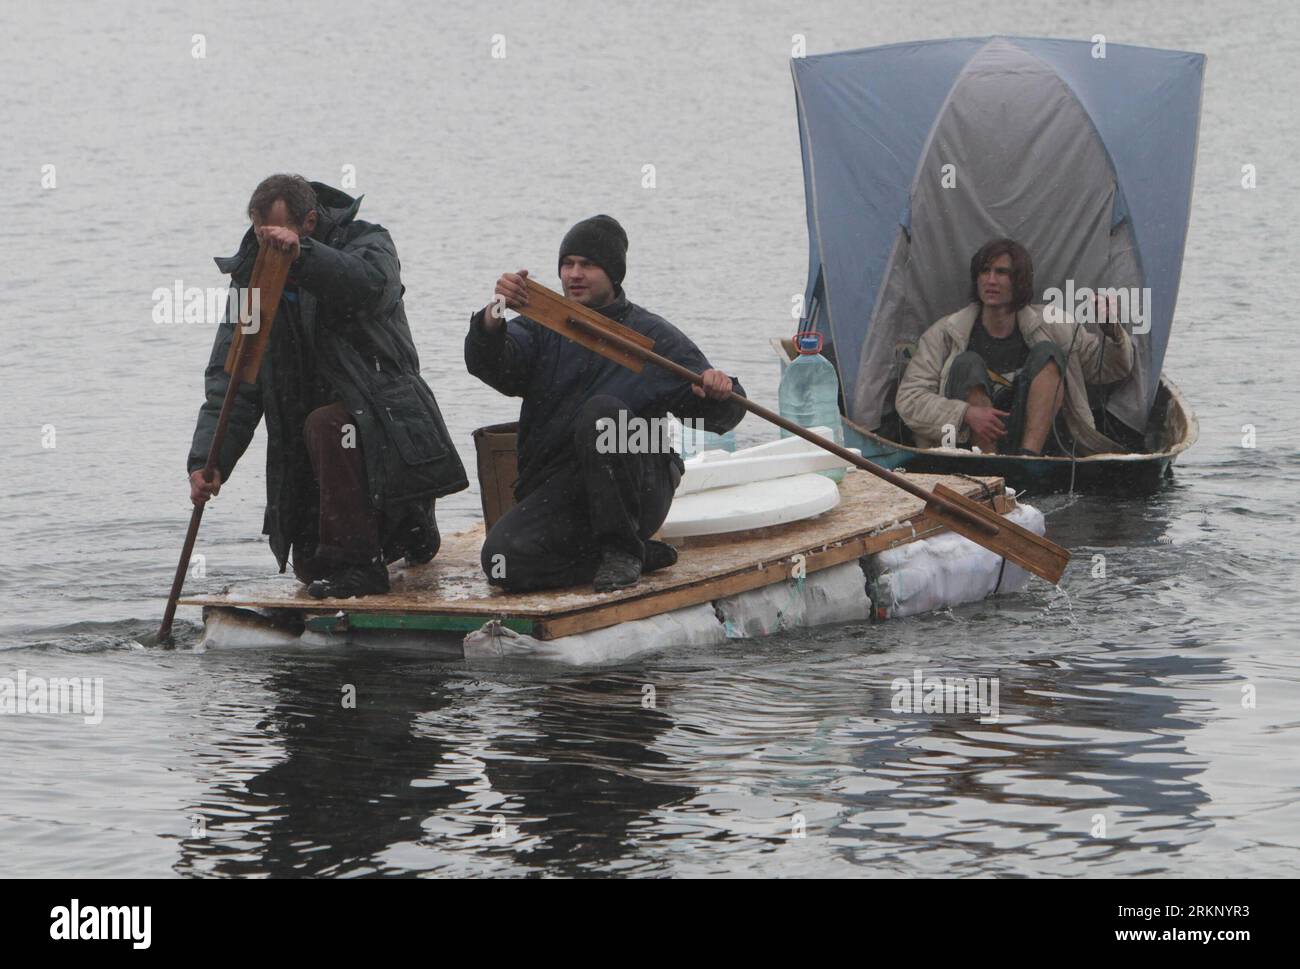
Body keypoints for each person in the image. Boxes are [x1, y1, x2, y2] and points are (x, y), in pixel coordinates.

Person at [188, 174, 467, 598]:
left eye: (277, 237)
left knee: (328, 425)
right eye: (259, 236)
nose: (268, 249)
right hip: (304, 428)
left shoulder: (369, 243)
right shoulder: (252, 279)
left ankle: (382, 548)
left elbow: (368, 286)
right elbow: (234, 380)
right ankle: (367, 543)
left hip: (378, 410)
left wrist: (303, 257)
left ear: (311, 222)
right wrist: (209, 460)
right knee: (312, 566)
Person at [465, 215, 746, 593]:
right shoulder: (542, 327)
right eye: (567, 264)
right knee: (500, 563)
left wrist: (720, 389)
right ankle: (632, 557)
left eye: (588, 265)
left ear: (614, 274)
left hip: (638, 490)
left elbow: (719, 416)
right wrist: (493, 315)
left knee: (603, 414)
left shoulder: (651, 337)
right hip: (564, 491)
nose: (574, 274)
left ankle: (622, 547)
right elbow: (495, 365)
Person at [895, 238, 1134, 456]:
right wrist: (964, 413)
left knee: (1048, 353)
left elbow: (1109, 369)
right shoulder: (946, 333)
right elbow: (909, 399)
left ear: (1019, 281)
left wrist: (1111, 330)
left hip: (1035, 445)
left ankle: (1028, 458)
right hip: (971, 449)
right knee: (967, 364)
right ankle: (990, 461)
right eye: (984, 271)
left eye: (1001, 273)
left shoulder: (1054, 325)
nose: (990, 280)